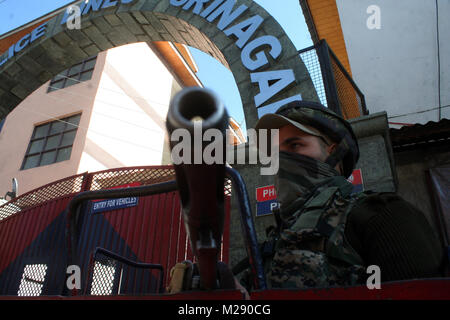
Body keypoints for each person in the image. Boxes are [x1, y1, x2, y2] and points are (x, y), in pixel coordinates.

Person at [239, 100, 446, 289]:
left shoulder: (380, 214)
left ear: (334, 151)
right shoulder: (275, 238)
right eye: (275, 152)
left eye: (295, 145)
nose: (281, 159)